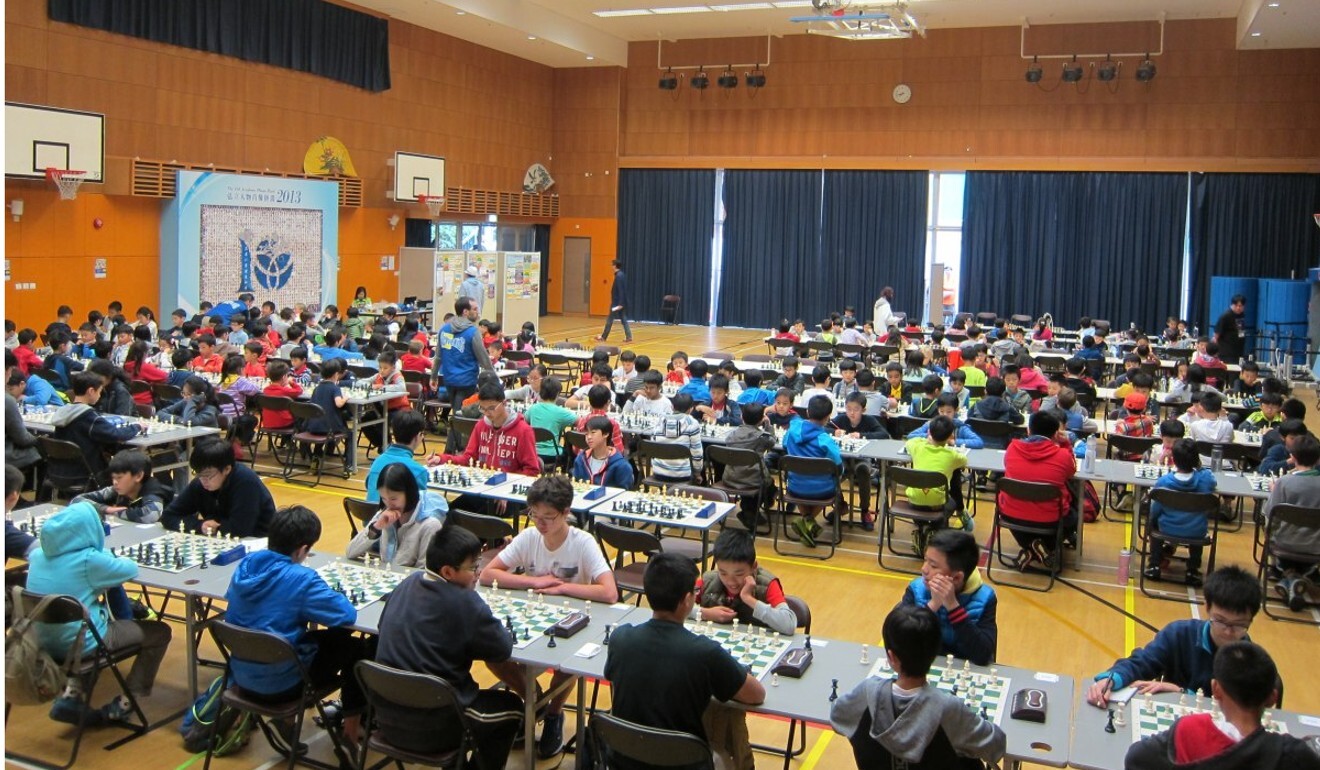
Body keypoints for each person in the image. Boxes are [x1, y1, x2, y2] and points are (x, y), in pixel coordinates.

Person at [479, 475, 618, 758]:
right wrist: (534, 583)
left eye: (548, 517)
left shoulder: (583, 542)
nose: (540, 523)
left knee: (571, 662)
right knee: (491, 652)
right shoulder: (530, 537)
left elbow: (610, 592)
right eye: (534, 515)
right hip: (532, 618)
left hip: (573, 624)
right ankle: (534, 700)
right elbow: (487, 574)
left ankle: (553, 713)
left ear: (566, 513)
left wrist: (563, 587)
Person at [372, 524, 524, 770]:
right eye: (473, 567)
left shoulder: (407, 583)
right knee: (511, 708)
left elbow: (382, 626)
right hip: (436, 728)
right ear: (447, 571)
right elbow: (502, 648)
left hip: (386, 718)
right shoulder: (465, 601)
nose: (477, 573)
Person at [224, 505, 370, 751]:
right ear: (303, 550)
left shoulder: (245, 566)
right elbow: (346, 613)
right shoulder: (302, 578)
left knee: (314, 636)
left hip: (240, 675)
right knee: (359, 648)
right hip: (283, 684)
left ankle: (287, 721)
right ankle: (349, 733)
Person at [605, 553, 765, 770]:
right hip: (683, 763)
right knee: (726, 749)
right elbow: (756, 695)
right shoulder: (705, 652)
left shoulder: (620, 639)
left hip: (624, 759)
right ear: (687, 600)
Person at [28, 501, 173, 725]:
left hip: (41, 643)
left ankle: (72, 693)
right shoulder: (88, 561)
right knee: (159, 632)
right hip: (83, 644)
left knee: (79, 626)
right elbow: (129, 568)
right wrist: (102, 552)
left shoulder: (37, 555)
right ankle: (127, 701)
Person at [831, 604, 1005, 770]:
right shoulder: (947, 708)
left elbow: (837, 716)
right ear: (936, 651)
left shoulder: (866, 692)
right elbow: (996, 745)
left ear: (891, 657)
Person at [1086, 565, 1262, 708]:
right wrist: (1112, 679)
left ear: (1251, 619)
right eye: (1221, 621)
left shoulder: (1252, 662)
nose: (1228, 632)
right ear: (1207, 607)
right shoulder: (1179, 634)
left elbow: (1237, 709)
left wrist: (1182, 693)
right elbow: (1142, 661)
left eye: (1239, 625)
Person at [1126, 641, 1320, 770]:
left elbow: (1135, 759)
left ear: (1215, 689)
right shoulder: (1292, 754)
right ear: (1272, 698)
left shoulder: (1189, 729)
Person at [899, 530, 997, 665]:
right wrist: (933, 605)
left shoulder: (985, 598)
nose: (924, 569)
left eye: (933, 565)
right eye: (925, 560)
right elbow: (898, 639)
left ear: (956, 578)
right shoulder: (916, 590)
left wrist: (953, 607)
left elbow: (983, 655)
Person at [999, 410, 1076, 570]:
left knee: (1017, 506)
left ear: (1028, 430)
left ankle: (1030, 547)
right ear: (1056, 434)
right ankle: (1042, 547)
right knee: (1074, 515)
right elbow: (1071, 472)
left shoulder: (1012, 448)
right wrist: (1066, 444)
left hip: (1010, 515)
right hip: (1050, 518)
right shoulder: (1062, 455)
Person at [161, 439, 276, 536]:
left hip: (258, 539)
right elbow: (168, 516)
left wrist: (214, 527)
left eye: (208, 475)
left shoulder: (246, 482)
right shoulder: (200, 483)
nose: (203, 480)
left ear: (227, 469)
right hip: (220, 539)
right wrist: (201, 526)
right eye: (198, 473)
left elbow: (241, 529)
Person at [1144, 439, 1217, 587]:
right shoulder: (1205, 480)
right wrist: (1200, 468)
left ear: (1174, 460)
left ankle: (1154, 564)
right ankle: (1192, 569)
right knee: (1197, 521)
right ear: (1197, 459)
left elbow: (1155, 511)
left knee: (1153, 521)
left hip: (1167, 528)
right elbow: (1212, 480)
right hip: (1196, 531)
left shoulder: (1164, 482)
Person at [1261, 433, 1320, 611]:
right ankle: (1301, 576)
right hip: (1317, 546)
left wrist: (1274, 490)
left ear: (1292, 457)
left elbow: (1270, 514)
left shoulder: (1284, 482)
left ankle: (1290, 578)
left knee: (1269, 526)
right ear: (1318, 459)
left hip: (1285, 544)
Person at [48, 372, 146, 479]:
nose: (100, 395)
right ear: (91, 391)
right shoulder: (88, 416)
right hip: (86, 473)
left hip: (58, 471)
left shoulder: (63, 412)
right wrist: (137, 426)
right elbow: (116, 434)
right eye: (99, 391)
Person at [430, 380, 541, 475]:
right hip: (484, 485)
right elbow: (468, 458)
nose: (487, 413)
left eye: (491, 408)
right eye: (483, 408)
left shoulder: (523, 430)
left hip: (507, 491)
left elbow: (531, 470)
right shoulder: (481, 425)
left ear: (504, 403)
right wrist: (441, 459)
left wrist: (507, 485)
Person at [347, 462, 444, 568]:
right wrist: (376, 528)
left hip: (408, 582)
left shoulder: (430, 524)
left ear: (409, 493)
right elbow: (350, 552)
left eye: (393, 498)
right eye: (383, 498)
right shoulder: (384, 514)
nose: (388, 504)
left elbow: (423, 573)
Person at [785, 395, 843, 548]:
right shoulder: (825, 440)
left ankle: (806, 520)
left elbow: (784, 445)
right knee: (835, 481)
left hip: (794, 488)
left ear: (808, 412)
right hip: (822, 491)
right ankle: (809, 522)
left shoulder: (792, 430)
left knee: (800, 479)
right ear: (828, 417)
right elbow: (838, 466)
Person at [72, 449, 171, 524]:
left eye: (119, 477)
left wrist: (115, 513)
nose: (115, 482)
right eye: (113, 478)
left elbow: (150, 515)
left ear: (138, 476)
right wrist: (105, 509)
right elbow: (77, 500)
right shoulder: (117, 490)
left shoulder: (153, 492)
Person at [433, 297, 493, 408]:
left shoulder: (444, 329)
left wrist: (433, 376)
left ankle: (452, 423)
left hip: (449, 379)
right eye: (474, 309)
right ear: (465, 312)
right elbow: (483, 359)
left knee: (456, 410)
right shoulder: (473, 332)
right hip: (467, 380)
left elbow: (438, 356)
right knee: (460, 414)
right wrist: (493, 376)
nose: (477, 312)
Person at [364, 409, 431, 500]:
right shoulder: (419, 471)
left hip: (371, 513)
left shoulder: (376, 462)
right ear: (418, 436)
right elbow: (420, 506)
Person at [649, 393, 703, 483]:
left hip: (659, 473)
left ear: (672, 407)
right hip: (684, 475)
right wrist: (697, 473)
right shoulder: (692, 423)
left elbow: (653, 447)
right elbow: (697, 453)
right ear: (691, 409)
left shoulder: (660, 421)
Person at [572, 414, 634, 487]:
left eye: (593, 433)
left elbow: (624, 492)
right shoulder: (581, 459)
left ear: (606, 434)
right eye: (586, 434)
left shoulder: (621, 465)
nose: (588, 437)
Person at [596, 259, 633, 343]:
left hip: (617, 303)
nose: (611, 266)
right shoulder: (622, 275)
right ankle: (629, 336)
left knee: (610, 319)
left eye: (612, 265)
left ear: (615, 266)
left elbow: (621, 290)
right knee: (623, 319)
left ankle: (603, 337)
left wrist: (620, 304)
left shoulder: (619, 276)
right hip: (621, 302)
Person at [1214, 293, 1247, 364]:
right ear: (1232, 305)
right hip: (1226, 352)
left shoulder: (1241, 315)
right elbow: (1216, 334)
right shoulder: (1226, 316)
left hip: (1238, 350)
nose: (1238, 308)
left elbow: (1241, 332)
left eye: (1240, 306)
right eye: (1236, 305)